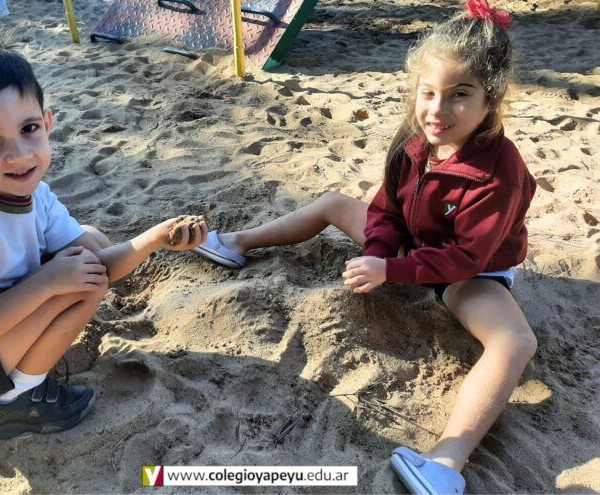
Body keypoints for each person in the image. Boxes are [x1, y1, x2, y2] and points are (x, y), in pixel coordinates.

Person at [193, 0, 536, 493]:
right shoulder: (415, 139)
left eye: (460, 95)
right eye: (428, 92)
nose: (437, 110)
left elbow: (469, 256)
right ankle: (235, 242)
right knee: (334, 203)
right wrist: (378, 251)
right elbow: (387, 208)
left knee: (515, 342)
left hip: (469, 273)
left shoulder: (498, 174)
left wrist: (391, 271)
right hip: (412, 243)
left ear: (491, 98)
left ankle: (446, 462)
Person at [0, 42, 207, 440]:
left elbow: (99, 261)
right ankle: (13, 403)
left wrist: (155, 238)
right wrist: (47, 282)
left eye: (28, 129)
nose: (18, 155)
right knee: (81, 285)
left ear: (46, 123)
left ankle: (16, 369)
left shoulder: (27, 190)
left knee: (90, 244)